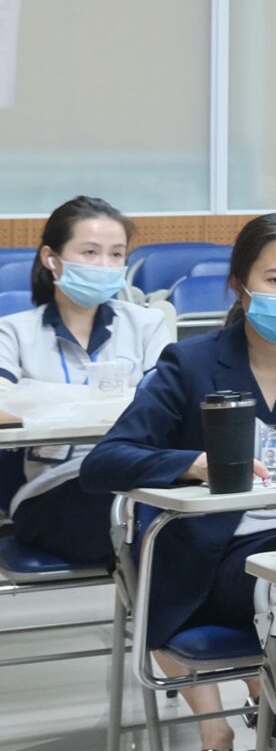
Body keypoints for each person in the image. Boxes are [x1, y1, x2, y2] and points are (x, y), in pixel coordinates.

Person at [82, 211, 276, 751]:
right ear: (240, 284)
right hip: (217, 561)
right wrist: (193, 463)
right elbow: (105, 462)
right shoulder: (191, 363)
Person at [1, 195, 173, 567]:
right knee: (139, 523)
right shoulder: (13, 332)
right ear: (51, 258)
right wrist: (112, 403)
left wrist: (40, 401)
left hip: (136, 474)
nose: (105, 265)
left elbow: (168, 406)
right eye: (90, 252)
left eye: (116, 254)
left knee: (183, 514)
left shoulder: (147, 324)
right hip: (51, 488)